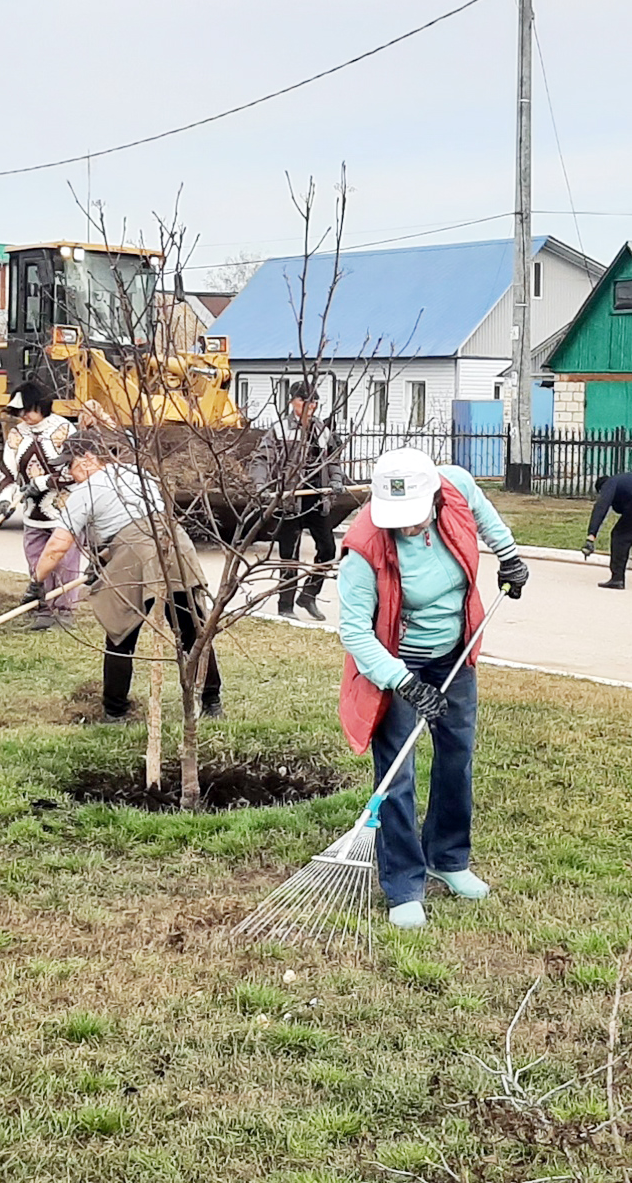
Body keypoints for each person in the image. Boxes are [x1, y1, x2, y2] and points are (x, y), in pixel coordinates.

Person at [336, 447, 529, 929]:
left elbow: (488, 519)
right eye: (396, 520)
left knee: (456, 756)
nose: (406, 528)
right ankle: (403, 883)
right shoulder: (363, 547)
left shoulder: (457, 486)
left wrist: (509, 558)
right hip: (397, 660)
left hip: (455, 651)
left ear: (435, 498)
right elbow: (356, 632)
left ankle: (448, 859)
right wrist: (403, 681)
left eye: (414, 517)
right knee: (397, 773)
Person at [28, 435, 221, 720]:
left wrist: (36, 583)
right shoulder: (139, 473)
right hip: (174, 545)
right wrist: (102, 562)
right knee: (192, 629)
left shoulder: (85, 493)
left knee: (120, 633)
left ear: (88, 458)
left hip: (138, 554)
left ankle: (114, 712)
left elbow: (57, 546)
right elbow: (136, 524)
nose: (69, 473)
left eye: (70, 465)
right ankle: (212, 703)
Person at [0, 380, 80, 631]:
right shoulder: (17, 434)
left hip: (64, 512)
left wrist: (44, 482)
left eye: (30, 409)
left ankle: (65, 611)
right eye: (21, 411)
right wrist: (5, 497)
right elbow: (8, 470)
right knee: (36, 561)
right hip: (32, 514)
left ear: (42, 405)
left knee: (65, 563)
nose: (25, 416)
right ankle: (43, 609)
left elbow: (78, 470)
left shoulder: (64, 429)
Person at [270, 382, 345, 620]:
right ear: (292, 401)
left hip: (316, 499)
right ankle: (285, 606)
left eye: (314, 402)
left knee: (328, 550)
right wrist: (261, 486)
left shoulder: (322, 431)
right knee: (289, 556)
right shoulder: (280, 430)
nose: (310, 406)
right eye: (304, 401)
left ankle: (308, 596)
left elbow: (333, 460)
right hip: (291, 501)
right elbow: (262, 459)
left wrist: (336, 480)